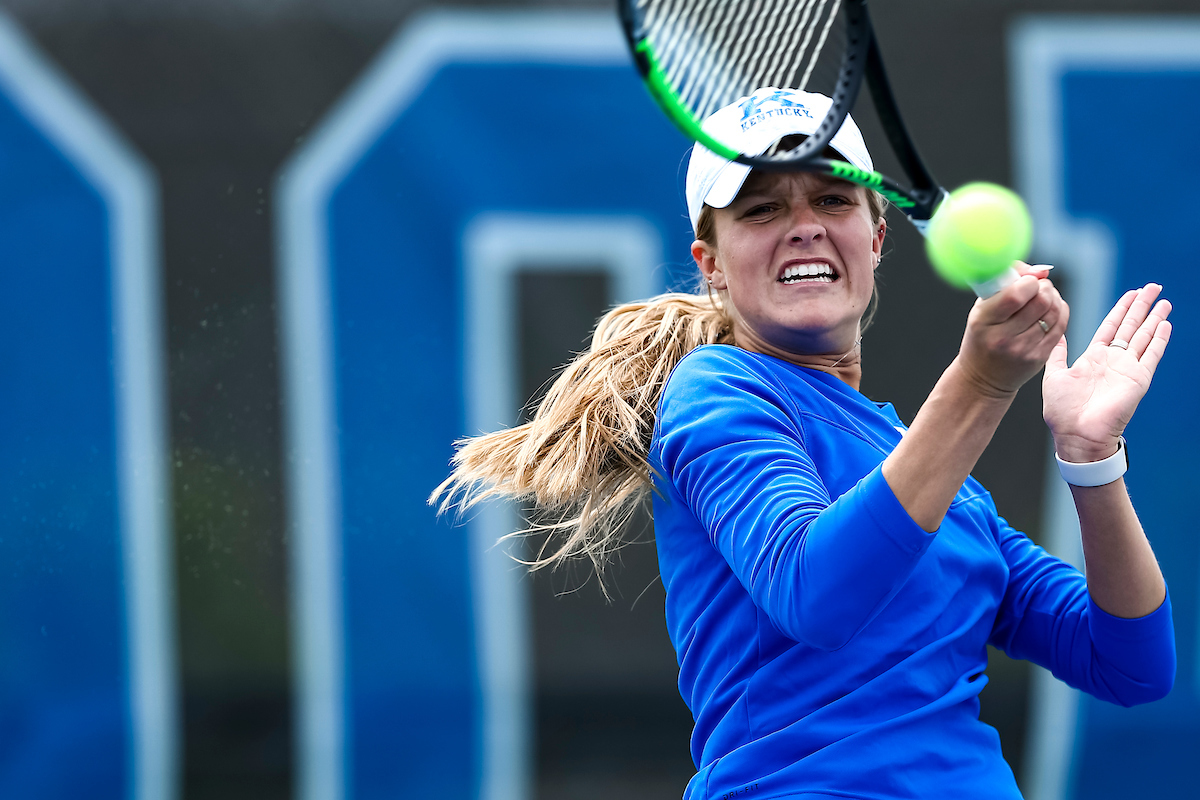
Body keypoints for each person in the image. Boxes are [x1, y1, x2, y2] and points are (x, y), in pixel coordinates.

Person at [431, 88, 1176, 799]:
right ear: (712, 265)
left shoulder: (943, 483)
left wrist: (1090, 458)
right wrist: (979, 387)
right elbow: (814, 592)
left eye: (831, 198)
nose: (804, 224)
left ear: (877, 236)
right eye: (762, 209)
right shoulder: (715, 391)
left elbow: (1132, 664)